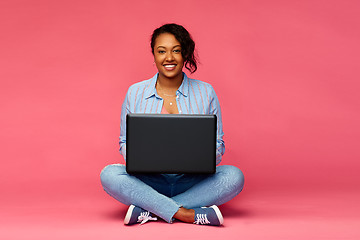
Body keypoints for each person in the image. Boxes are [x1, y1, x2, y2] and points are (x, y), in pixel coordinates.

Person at [100, 23, 244, 226]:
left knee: (234, 176)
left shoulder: (206, 92)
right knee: (109, 174)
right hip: (149, 181)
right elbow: (125, 142)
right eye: (161, 51)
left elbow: (218, 144)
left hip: (192, 181)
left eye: (176, 50)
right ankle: (188, 214)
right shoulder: (135, 92)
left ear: (185, 54)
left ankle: (151, 210)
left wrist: (201, 157)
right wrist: (140, 158)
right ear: (154, 55)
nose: (169, 58)